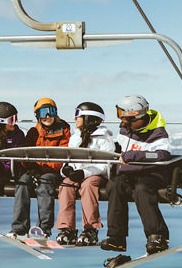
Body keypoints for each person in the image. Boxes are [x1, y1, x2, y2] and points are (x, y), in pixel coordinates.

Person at [100, 94, 172, 254]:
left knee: (142, 189)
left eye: (125, 118)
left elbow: (161, 155)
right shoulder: (125, 130)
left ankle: (157, 236)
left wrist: (134, 156)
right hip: (130, 174)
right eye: (120, 116)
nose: (122, 121)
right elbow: (120, 148)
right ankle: (116, 238)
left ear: (137, 117)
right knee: (115, 184)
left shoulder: (157, 132)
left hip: (153, 174)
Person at [7, 98, 70, 238]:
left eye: (51, 111)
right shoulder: (33, 132)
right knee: (22, 182)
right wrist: (31, 168)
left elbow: (62, 156)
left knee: (45, 184)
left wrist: (40, 166)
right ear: (37, 115)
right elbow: (25, 154)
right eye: (43, 113)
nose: (47, 116)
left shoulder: (64, 130)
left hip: (53, 172)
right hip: (35, 170)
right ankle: (19, 227)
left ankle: (44, 228)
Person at [56, 102, 114, 246]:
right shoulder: (76, 137)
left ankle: (91, 228)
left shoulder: (104, 138)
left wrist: (84, 173)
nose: (75, 118)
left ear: (89, 118)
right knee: (66, 184)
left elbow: (105, 165)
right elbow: (68, 158)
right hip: (78, 174)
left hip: (97, 175)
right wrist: (67, 169)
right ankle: (66, 228)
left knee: (88, 185)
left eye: (78, 115)